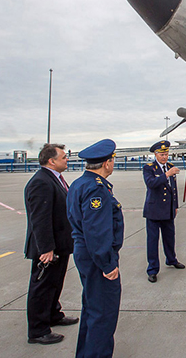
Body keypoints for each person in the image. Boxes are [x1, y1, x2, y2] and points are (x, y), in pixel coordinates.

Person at [67, 139, 124, 358]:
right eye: (112, 160)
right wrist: (107, 264)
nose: (113, 164)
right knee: (103, 314)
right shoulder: (96, 190)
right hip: (97, 257)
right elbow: (97, 231)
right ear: (106, 163)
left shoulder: (79, 184)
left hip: (85, 252)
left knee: (92, 309)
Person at [24, 143, 78, 345]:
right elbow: (40, 219)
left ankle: (53, 314)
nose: (67, 159)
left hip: (60, 243)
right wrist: (46, 249)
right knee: (42, 287)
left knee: (55, 282)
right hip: (48, 247)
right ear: (51, 160)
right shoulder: (41, 182)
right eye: (63, 157)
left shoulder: (54, 179)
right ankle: (38, 330)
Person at [143, 140, 185, 283]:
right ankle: (152, 269)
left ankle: (171, 259)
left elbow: (173, 189)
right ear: (155, 155)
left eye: (166, 154)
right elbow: (151, 184)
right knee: (153, 241)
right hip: (154, 211)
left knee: (170, 237)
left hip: (168, 210)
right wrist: (166, 174)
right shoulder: (149, 168)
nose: (164, 157)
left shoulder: (171, 166)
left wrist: (175, 206)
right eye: (161, 154)